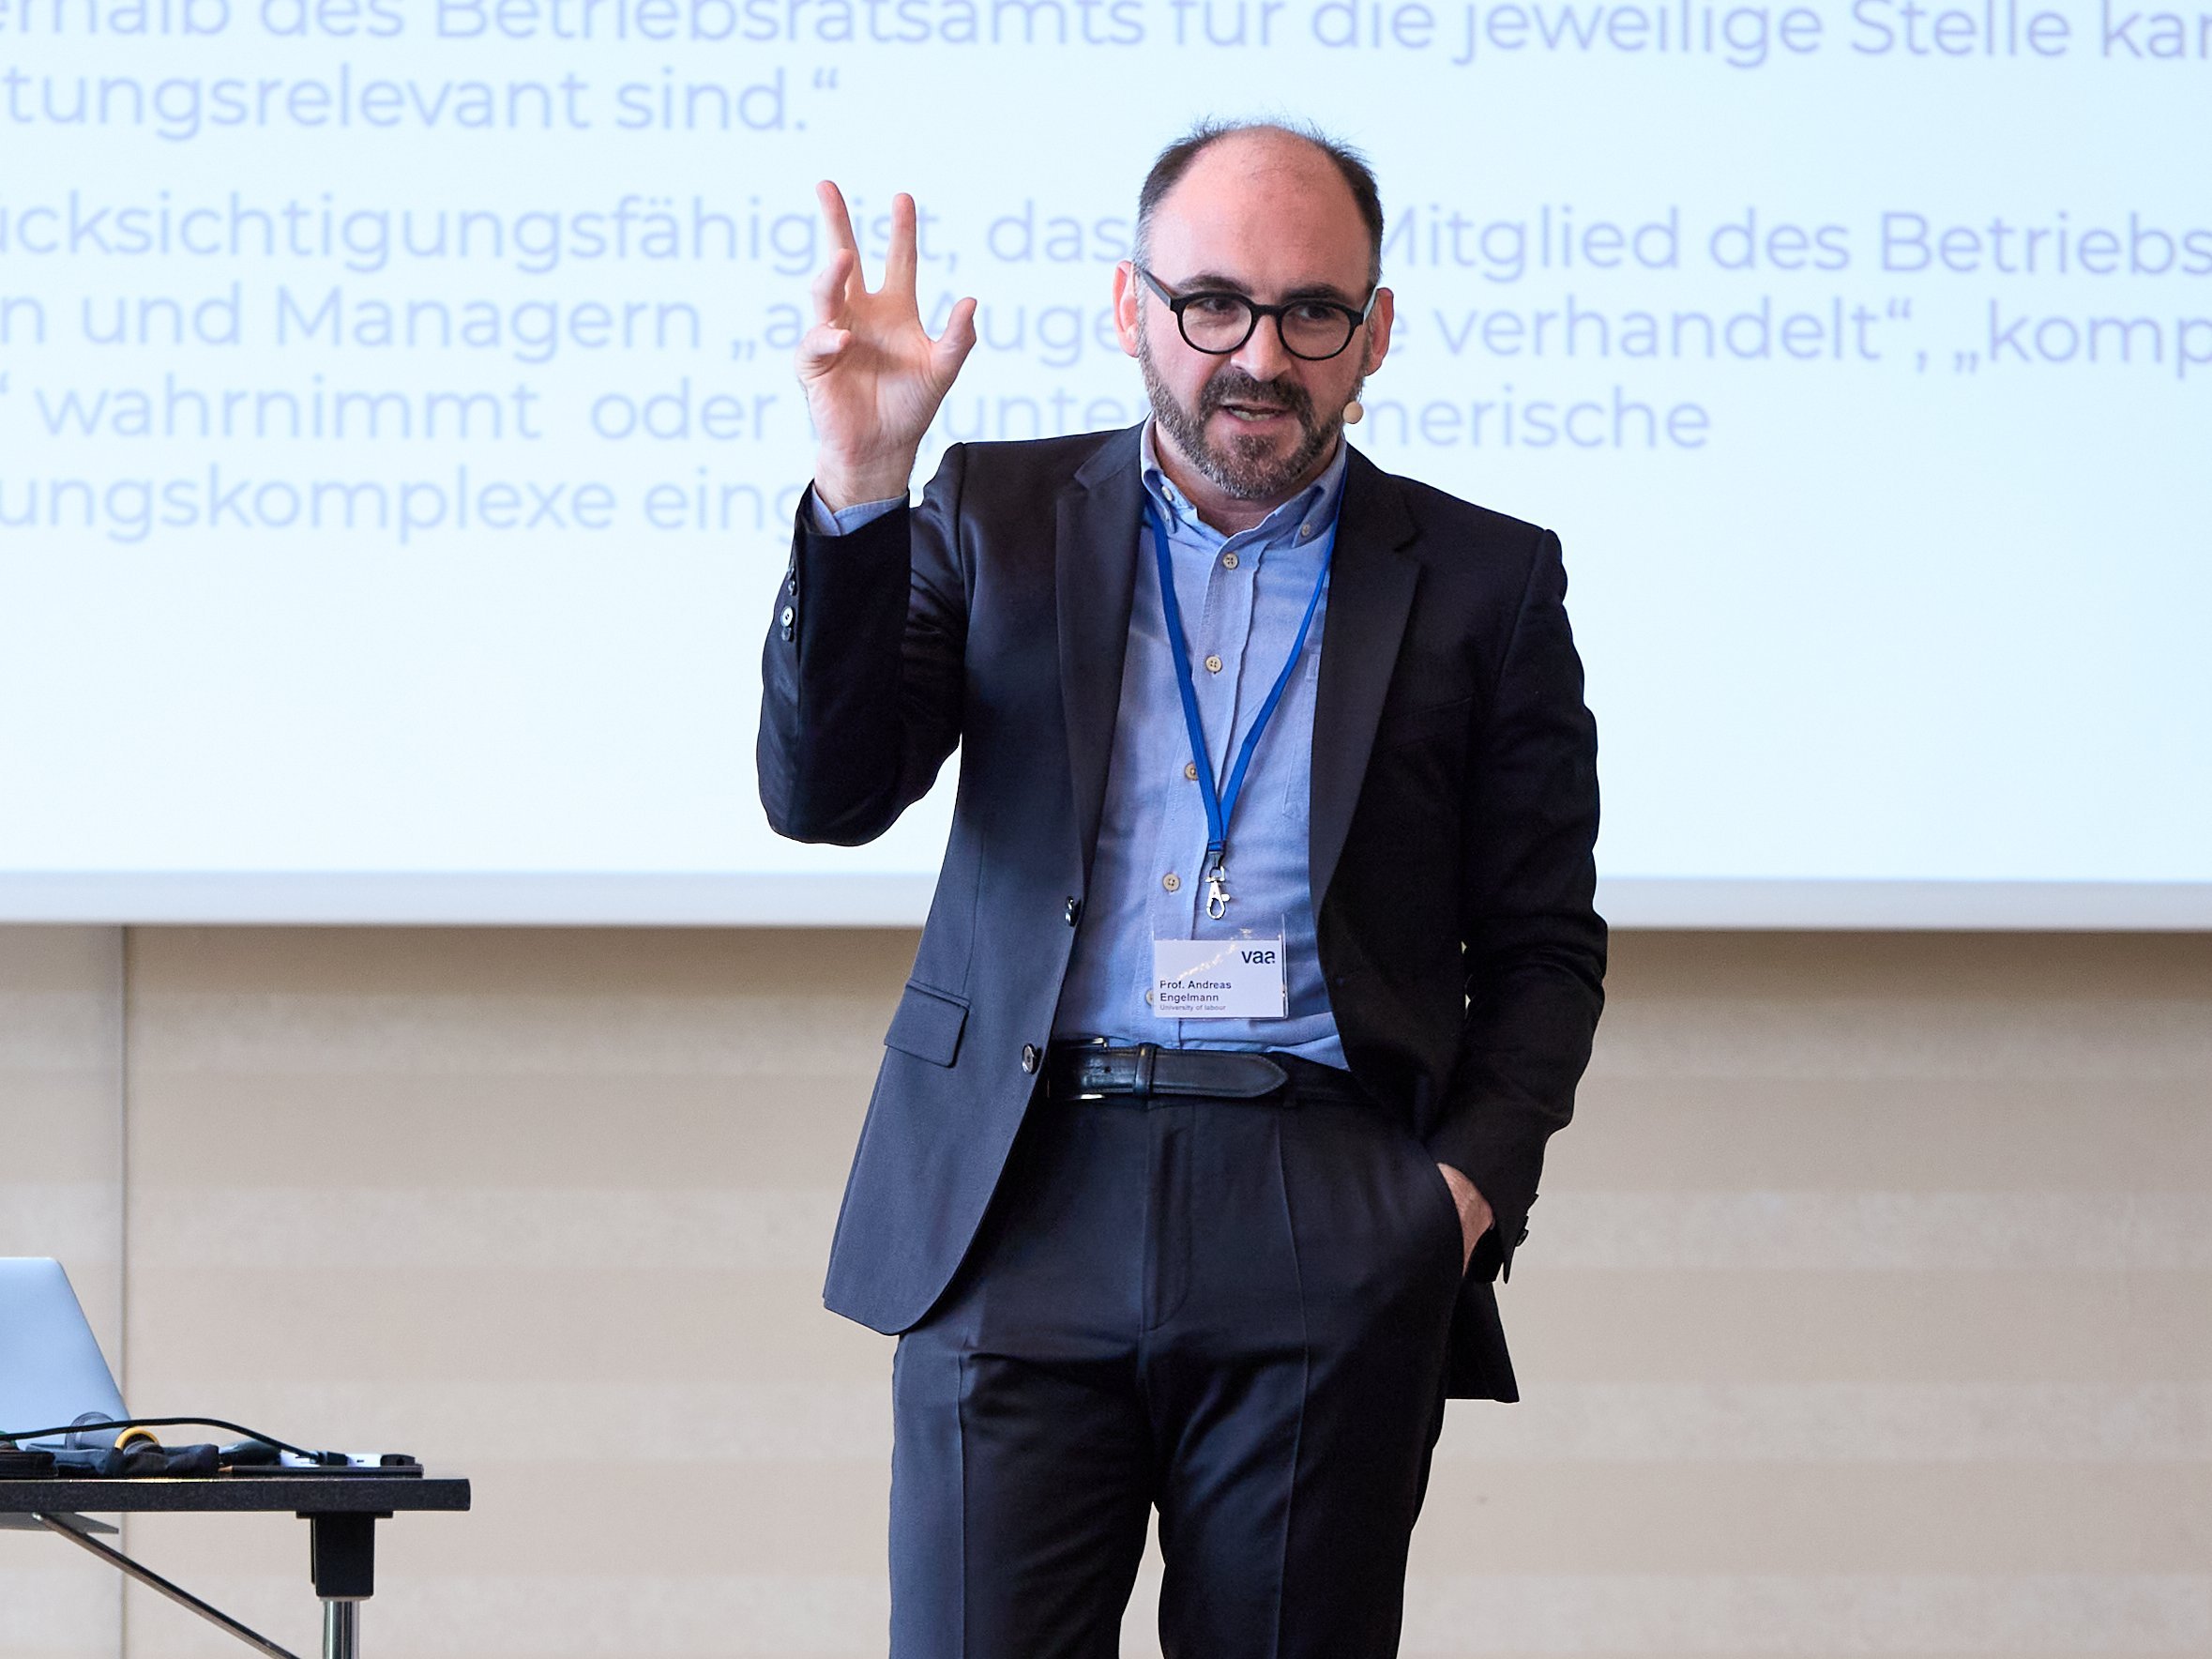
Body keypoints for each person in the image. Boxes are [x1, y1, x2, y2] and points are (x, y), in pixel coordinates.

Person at [759, 119, 1605, 1659]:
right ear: (1129, 306)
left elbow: (1545, 947)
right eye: (1211, 302)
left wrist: (1455, 1199)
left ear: (1376, 332)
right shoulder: (989, 517)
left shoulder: (1486, 581)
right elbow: (824, 796)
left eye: (1311, 312)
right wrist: (861, 488)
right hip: (1016, 1188)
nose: (1257, 355)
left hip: (1324, 1197)